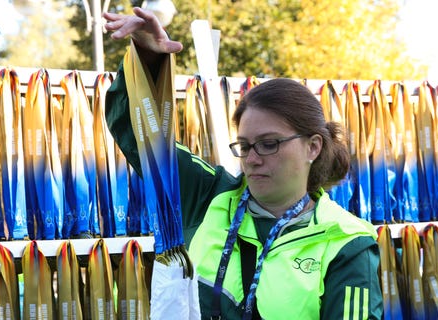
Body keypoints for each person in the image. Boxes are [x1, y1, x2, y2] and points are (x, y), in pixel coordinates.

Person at [103, 8, 383, 320]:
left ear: (312, 147)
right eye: (245, 145)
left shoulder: (346, 240)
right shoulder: (210, 196)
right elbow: (140, 133)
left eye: (269, 144)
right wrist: (148, 58)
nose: (251, 158)